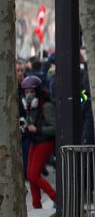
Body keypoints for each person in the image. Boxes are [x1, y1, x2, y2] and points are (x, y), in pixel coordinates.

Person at [21, 75, 56, 209]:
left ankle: (56, 197)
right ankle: (36, 204)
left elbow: (54, 128)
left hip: (44, 142)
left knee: (34, 174)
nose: (29, 95)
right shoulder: (30, 107)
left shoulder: (46, 106)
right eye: (26, 92)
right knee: (30, 174)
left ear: (38, 92)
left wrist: (38, 129)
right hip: (35, 141)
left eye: (32, 91)